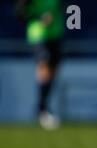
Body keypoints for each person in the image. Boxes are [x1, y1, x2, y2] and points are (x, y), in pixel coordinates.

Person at [16, 0, 64, 130]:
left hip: (55, 33)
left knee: (53, 70)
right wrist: (39, 17)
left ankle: (43, 108)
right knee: (43, 65)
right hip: (38, 33)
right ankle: (42, 110)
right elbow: (20, 12)